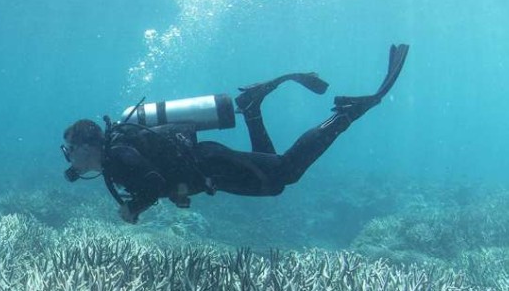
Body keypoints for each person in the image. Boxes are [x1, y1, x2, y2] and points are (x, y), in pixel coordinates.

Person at [62, 44, 409, 223]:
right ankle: (252, 108)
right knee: (274, 177)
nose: (69, 159)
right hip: (208, 166)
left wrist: (133, 208)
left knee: (284, 174)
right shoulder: (117, 154)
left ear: (86, 145)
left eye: (69, 150)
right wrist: (175, 192)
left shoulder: (118, 156)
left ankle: (346, 115)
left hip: (212, 164)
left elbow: (152, 182)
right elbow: (161, 176)